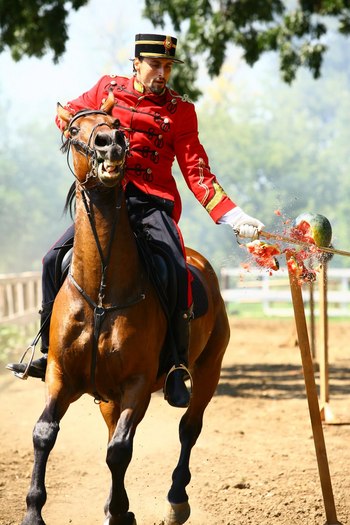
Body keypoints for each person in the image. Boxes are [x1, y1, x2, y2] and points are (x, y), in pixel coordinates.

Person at [7, 33, 264, 407]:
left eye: (168, 67)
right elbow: (70, 117)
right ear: (136, 64)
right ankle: (49, 353)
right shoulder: (105, 89)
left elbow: (197, 172)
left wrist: (233, 216)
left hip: (152, 206)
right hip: (106, 202)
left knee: (177, 269)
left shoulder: (181, 111)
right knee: (51, 261)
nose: (162, 74)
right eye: (156, 65)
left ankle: (176, 364)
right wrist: (69, 126)